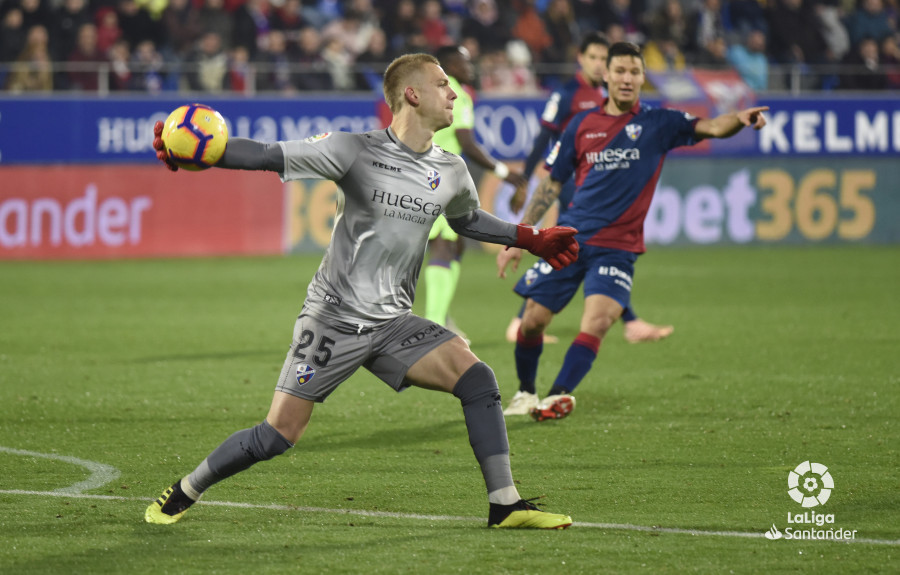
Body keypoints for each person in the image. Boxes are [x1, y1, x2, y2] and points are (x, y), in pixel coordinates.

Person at [144, 52, 579, 529]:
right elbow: (269, 155)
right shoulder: (353, 149)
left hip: (393, 323)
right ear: (412, 94)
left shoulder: (451, 169)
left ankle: (505, 505)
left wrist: (529, 237)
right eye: (442, 84)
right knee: (277, 435)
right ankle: (186, 489)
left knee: (478, 380)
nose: (454, 93)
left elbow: (467, 219)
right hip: (332, 320)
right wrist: (203, 153)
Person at [497, 42, 768, 422]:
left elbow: (711, 127)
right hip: (570, 240)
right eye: (620, 71)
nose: (627, 78)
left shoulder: (660, 123)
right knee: (532, 321)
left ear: (643, 78)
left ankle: (556, 396)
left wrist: (738, 118)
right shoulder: (581, 125)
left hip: (617, 248)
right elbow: (550, 184)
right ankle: (526, 392)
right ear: (605, 75)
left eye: (634, 72)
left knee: (599, 321)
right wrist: (519, 237)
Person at [502, 32, 674, 400]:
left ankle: (623, 321)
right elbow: (544, 140)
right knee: (574, 252)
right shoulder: (567, 96)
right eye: (595, 58)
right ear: (582, 59)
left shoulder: (607, 101)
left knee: (597, 264)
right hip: (571, 194)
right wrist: (524, 179)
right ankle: (527, 319)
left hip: (591, 207)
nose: (599, 64)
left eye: (603, 58)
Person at [425, 44, 528, 338]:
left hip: (420, 173)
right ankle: (434, 325)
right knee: (444, 246)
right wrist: (505, 173)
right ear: (446, 65)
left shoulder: (421, 91)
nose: (470, 67)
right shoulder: (456, 94)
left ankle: (440, 314)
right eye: (463, 62)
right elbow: (467, 143)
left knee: (453, 246)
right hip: (439, 178)